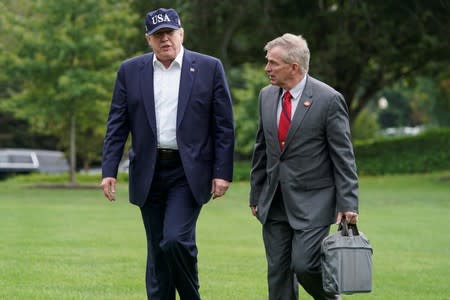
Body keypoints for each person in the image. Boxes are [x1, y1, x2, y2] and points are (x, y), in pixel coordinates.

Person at [100, 7, 234, 300]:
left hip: (189, 172)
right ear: (148, 39)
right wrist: (109, 169)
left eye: (170, 33)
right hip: (148, 170)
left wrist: (222, 172)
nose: (165, 40)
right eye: (157, 35)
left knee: (175, 239)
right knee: (157, 246)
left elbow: (223, 125)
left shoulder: (209, 68)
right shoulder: (130, 71)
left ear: (181, 33)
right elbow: (117, 124)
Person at [249, 33, 359, 300]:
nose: (267, 69)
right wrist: (256, 194)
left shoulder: (329, 100)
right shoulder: (266, 96)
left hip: (314, 201)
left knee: (305, 264)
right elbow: (261, 149)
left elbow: (343, 156)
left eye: (273, 63)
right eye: (267, 62)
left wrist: (349, 203)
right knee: (278, 273)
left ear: (294, 67)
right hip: (274, 200)